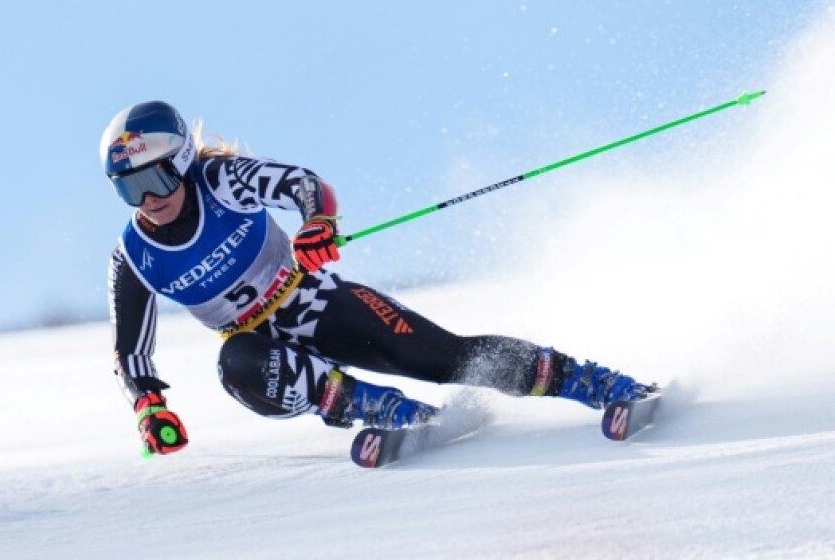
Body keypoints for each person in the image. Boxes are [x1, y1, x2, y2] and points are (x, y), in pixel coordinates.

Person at [102, 100, 655, 457]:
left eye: (156, 178)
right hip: (261, 350)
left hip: (313, 303)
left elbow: (302, 184)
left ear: (182, 160)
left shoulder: (219, 179)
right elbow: (131, 354)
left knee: (445, 358)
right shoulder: (135, 254)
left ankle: (597, 383)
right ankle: (388, 410)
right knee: (237, 362)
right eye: (130, 189)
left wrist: (318, 223)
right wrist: (148, 405)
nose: (149, 200)